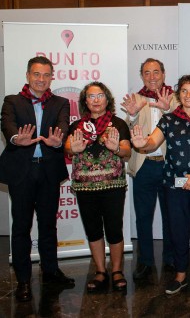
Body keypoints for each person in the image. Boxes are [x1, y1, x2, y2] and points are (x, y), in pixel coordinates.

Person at [0, 56, 74, 302]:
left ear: (51, 77)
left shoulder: (60, 102)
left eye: (46, 75)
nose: (41, 79)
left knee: (48, 225)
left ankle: (50, 271)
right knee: (21, 227)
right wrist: (17, 139)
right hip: (22, 173)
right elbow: (7, 126)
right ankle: (23, 280)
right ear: (28, 75)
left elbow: (63, 127)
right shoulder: (12, 101)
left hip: (49, 171)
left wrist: (59, 141)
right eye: (36, 74)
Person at [131, 74, 190, 295]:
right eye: (184, 91)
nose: (188, 95)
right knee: (178, 230)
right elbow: (153, 141)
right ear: (178, 94)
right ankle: (180, 274)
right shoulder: (168, 119)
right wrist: (143, 144)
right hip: (174, 185)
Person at [65, 82, 132, 292]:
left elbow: (127, 152)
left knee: (114, 229)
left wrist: (116, 148)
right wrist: (71, 148)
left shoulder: (118, 124)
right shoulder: (77, 126)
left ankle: (117, 271)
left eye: (100, 95)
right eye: (91, 96)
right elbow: (67, 146)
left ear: (107, 99)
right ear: (85, 101)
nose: (95, 100)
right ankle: (101, 271)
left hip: (113, 186)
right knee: (93, 230)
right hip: (85, 189)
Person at [121, 58, 176, 280]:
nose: (152, 77)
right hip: (144, 166)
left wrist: (168, 109)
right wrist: (133, 115)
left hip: (169, 165)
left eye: (156, 72)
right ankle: (145, 262)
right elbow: (128, 128)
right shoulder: (135, 99)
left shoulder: (175, 98)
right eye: (147, 73)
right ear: (142, 76)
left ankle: (171, 260)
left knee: (171, 216)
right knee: (143, 217)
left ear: (163, 74)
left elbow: (182, 125)